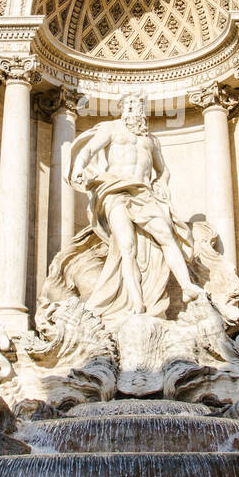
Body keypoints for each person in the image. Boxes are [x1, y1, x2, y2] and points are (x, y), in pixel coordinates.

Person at [67, 92, 203, 318]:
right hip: (115, 190)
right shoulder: (111, 128)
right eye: (130, 104)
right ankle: (136, 301)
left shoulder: (151, 140)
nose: (134, 109)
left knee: (167, 236)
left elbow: (162, 169)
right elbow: (89, 150)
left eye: (138, 105)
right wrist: (78, 167)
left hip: (144, 193)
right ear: (122, 108)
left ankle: (187, 287)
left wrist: (162, 182)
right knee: (126, 246)